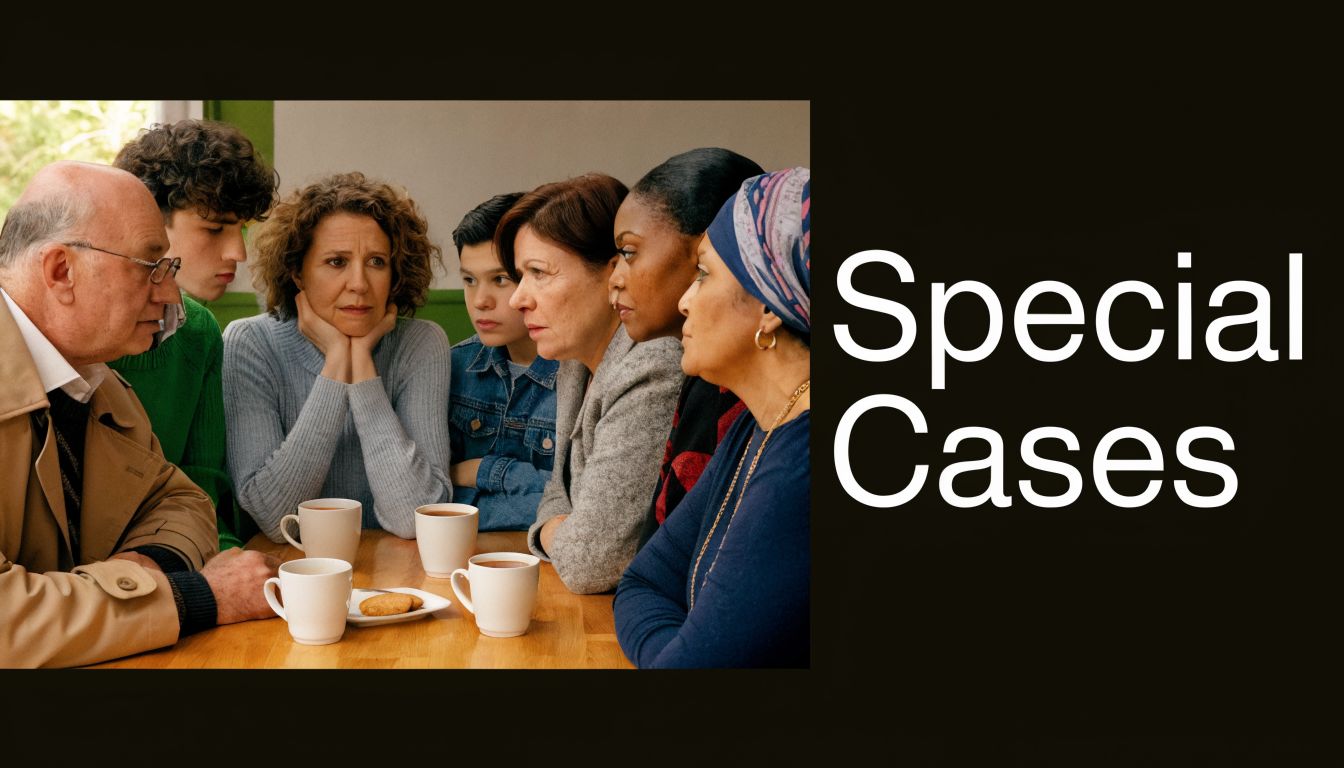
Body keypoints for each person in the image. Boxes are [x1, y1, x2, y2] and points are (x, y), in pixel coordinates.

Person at [0, 161, 278, 668]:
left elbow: (182, 500)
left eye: (168, 269)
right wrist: (195, 596)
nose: (172, 294)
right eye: (151, 267)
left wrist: (142, 568)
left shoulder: (95, 378)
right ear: (61, 271)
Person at [614, 167, 811, 667]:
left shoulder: (805, 466)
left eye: (702, 274)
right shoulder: (758, 424)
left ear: (769, 306)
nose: (685, 300)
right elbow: (643, 581)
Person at [224, 172, 452, 542]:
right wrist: (335, 367)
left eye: (377, 262)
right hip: (293, 575)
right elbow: (275, 520)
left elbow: (416, 518)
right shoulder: (251, 342)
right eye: (336, 262)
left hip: (401, 574)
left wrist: (361, 368)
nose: (360, 284)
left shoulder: (421, 343)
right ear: (297, 272)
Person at [498, 173, 682, 594]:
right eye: (519, 276)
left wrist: (549, 530)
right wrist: (559, 524)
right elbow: (556, 492)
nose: (517, 299)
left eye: (538, 273)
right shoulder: (574, 362)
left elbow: (589, 563)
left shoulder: (652, 365)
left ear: (612, 274)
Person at [108, 119, 279, 550]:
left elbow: (202, 488)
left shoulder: (200, 330)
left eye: (241, 229)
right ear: (147, 218)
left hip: (179, 555)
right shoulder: (81, 331)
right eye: (215, 228)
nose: (238, 252)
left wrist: (229, 563)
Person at [609, 148, 764, 544]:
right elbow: (654, 566)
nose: (615, 279)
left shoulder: (750, 395)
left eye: (628, 253)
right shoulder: (701, 375)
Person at [448, 192, 558, 531]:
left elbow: (582, 507)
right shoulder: (454, 366)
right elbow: (430, 497)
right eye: (469, 280)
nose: (480, 301)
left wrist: (481, 471)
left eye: (500, 280)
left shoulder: (581, 374)